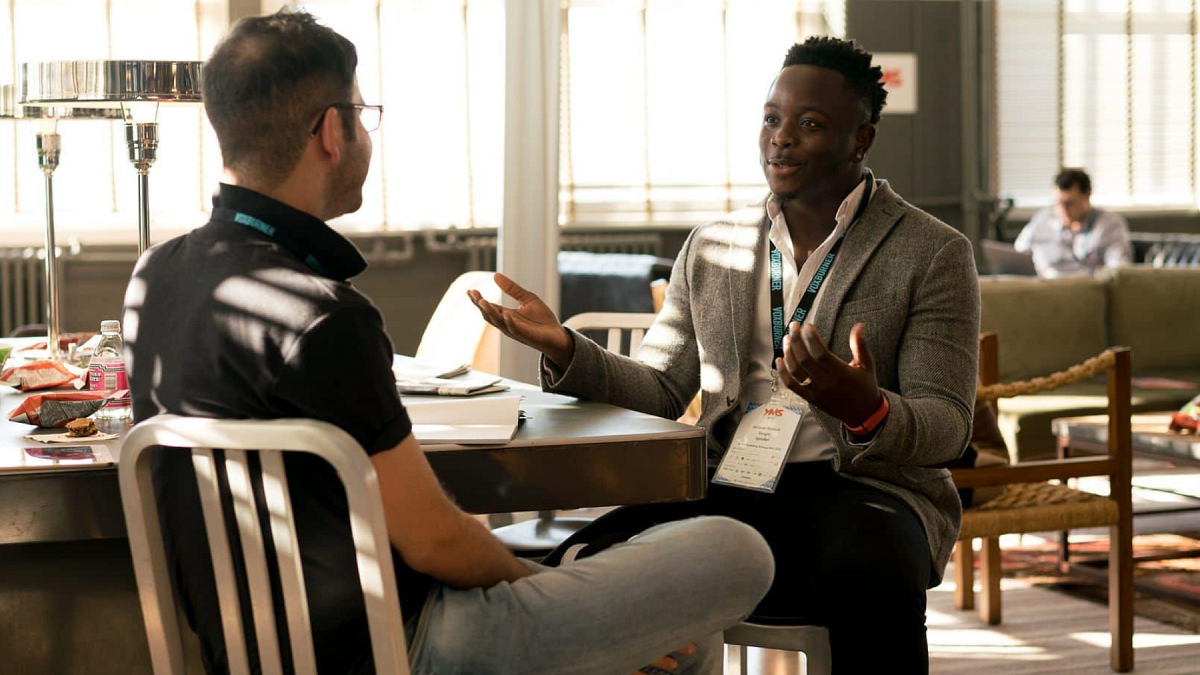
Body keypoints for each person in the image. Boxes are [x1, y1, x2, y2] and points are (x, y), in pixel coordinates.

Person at [122, 10, 774, 675]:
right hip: (403, 647)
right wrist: (543, 594)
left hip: (249, 654)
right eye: (361, 112)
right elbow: (435, 539)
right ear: (327, 131)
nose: (365, 134)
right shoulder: (327, 317)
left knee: (685, 646)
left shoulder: (156, 276)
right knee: (735, 548)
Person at [471, 36, 979, 674]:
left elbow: (948, 427)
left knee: (872, 570)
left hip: (864, 491)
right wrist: (569, 348)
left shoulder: (932, 252)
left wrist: (867, 409)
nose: (781, 138)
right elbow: (660, 388)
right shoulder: (713, 245)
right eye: (772, 119)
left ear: (861, 140)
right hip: (728, 481)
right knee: (593, 554)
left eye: (810, 124)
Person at [1014, 168, 1133, 278]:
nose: (1063, 210)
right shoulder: (1043, 219)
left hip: (1085, 289)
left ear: (1087, 194)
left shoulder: (1109, 225)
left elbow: (1119, 270)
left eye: (1070, 203)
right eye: (1059, 203)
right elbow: (1018, 254)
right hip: (1043, 288)